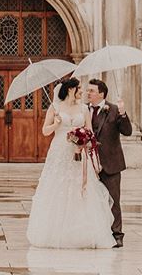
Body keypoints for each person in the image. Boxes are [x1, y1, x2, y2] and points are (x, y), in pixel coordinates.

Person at [26, 77, 116, 249]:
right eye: (79, 88)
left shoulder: (84, 108)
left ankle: (83, 232)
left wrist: (83, 141)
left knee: (80, 188)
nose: (82, 91)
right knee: (58, 187)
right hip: (60, 151)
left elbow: (90, 131)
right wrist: (56, 124)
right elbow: (45, 131)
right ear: (70, 89)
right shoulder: (55, 108)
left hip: (78, 153)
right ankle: (55, 231)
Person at [85, 78, 133, 248]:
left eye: (91, 91)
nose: (87, 93)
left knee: (114, 200)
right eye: (87, 90)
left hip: (111, 163)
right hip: (89, 164)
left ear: (101, 94)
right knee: (91, 200)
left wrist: (123, 113)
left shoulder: (113, 109)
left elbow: (127, 131)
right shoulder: (84, 110)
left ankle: (117, 234)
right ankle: (95, 232)